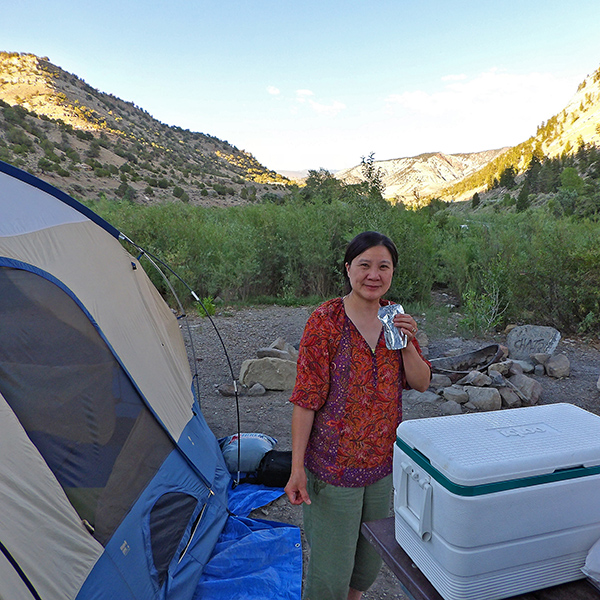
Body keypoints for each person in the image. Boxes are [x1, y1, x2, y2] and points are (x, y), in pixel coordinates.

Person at [284, 231, 431, 600]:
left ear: (393, 272)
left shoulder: (394, 318)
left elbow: (422, 382)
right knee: (330, 573)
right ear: (348, 268)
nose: (374, 275)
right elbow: (305, 399)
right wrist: (297, 468)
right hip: (333, 471)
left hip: (381, 467)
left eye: (384, 266)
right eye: (364, 265)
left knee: (367, 564)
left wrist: (410, 345)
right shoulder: (325, 321)